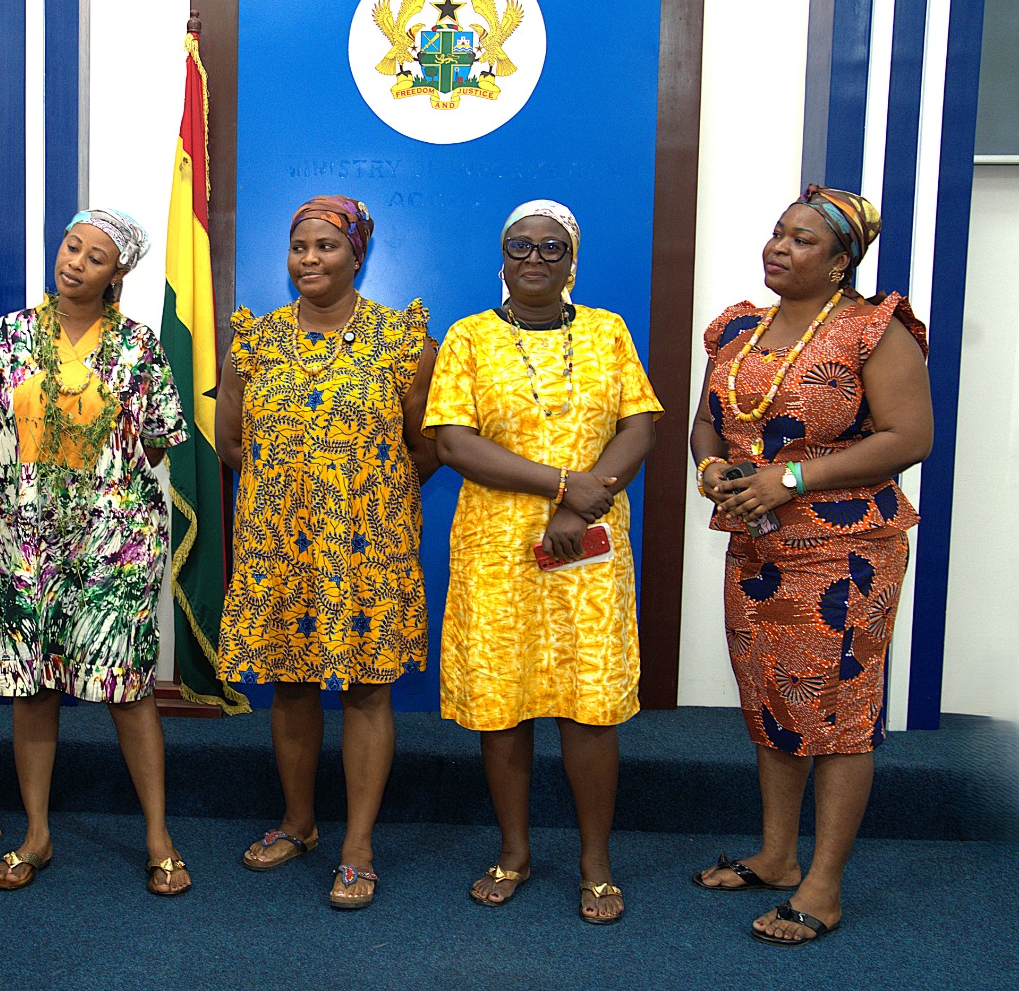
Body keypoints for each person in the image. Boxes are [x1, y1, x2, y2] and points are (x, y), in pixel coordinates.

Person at [690, 185, 931, 945]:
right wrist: (712, 468)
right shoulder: (738, 328)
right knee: (770, 696)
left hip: (846, 552)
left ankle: (823, 887)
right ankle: (776, 855)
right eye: (777, 232)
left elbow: (909, 437)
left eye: (802, 240)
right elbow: (708, 424)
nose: (779, 247)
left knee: (838, 712)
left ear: (839, 264)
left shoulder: (873, 330)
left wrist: (790, 478)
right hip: (757, 545)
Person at [425, 199, 660, 924]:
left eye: (551, 247)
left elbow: (640, 425)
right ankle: (514, 852)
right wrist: (562, 485)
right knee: (505, 704)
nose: (534, 258)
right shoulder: (468, 337)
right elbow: (453, 442)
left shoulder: (608, 331)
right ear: (501, 258)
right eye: (519, 246)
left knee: (589, 705)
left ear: (571, 261)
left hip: (586, 548)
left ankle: (596, 863)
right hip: (496, 548)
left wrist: (577, 507)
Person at [0, 208, 193, 896]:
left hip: (114, 545)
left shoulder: (138, 346)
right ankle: (36, 834)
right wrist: (13, 500)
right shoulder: (9, 336)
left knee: (127, 687)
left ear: (116, 274)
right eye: (71, 246)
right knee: (32, 689)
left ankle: (158, 838)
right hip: (21, 542)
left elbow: (156, 444)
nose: (75, 262)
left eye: (94, 256)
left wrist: (98, 491)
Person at [215, 194, 437, 911]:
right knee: (290, 682)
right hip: (278, 546)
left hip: (368, 546)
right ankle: (299, 823)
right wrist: (292, 493)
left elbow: (427, 446)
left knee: (368, 687)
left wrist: (360, 493)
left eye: (326, 246)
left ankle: (358, 847)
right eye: (299, 247)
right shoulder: (254, 341)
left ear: (357, 255)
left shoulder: (403, 341)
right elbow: (230, 443)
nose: (308, 259)